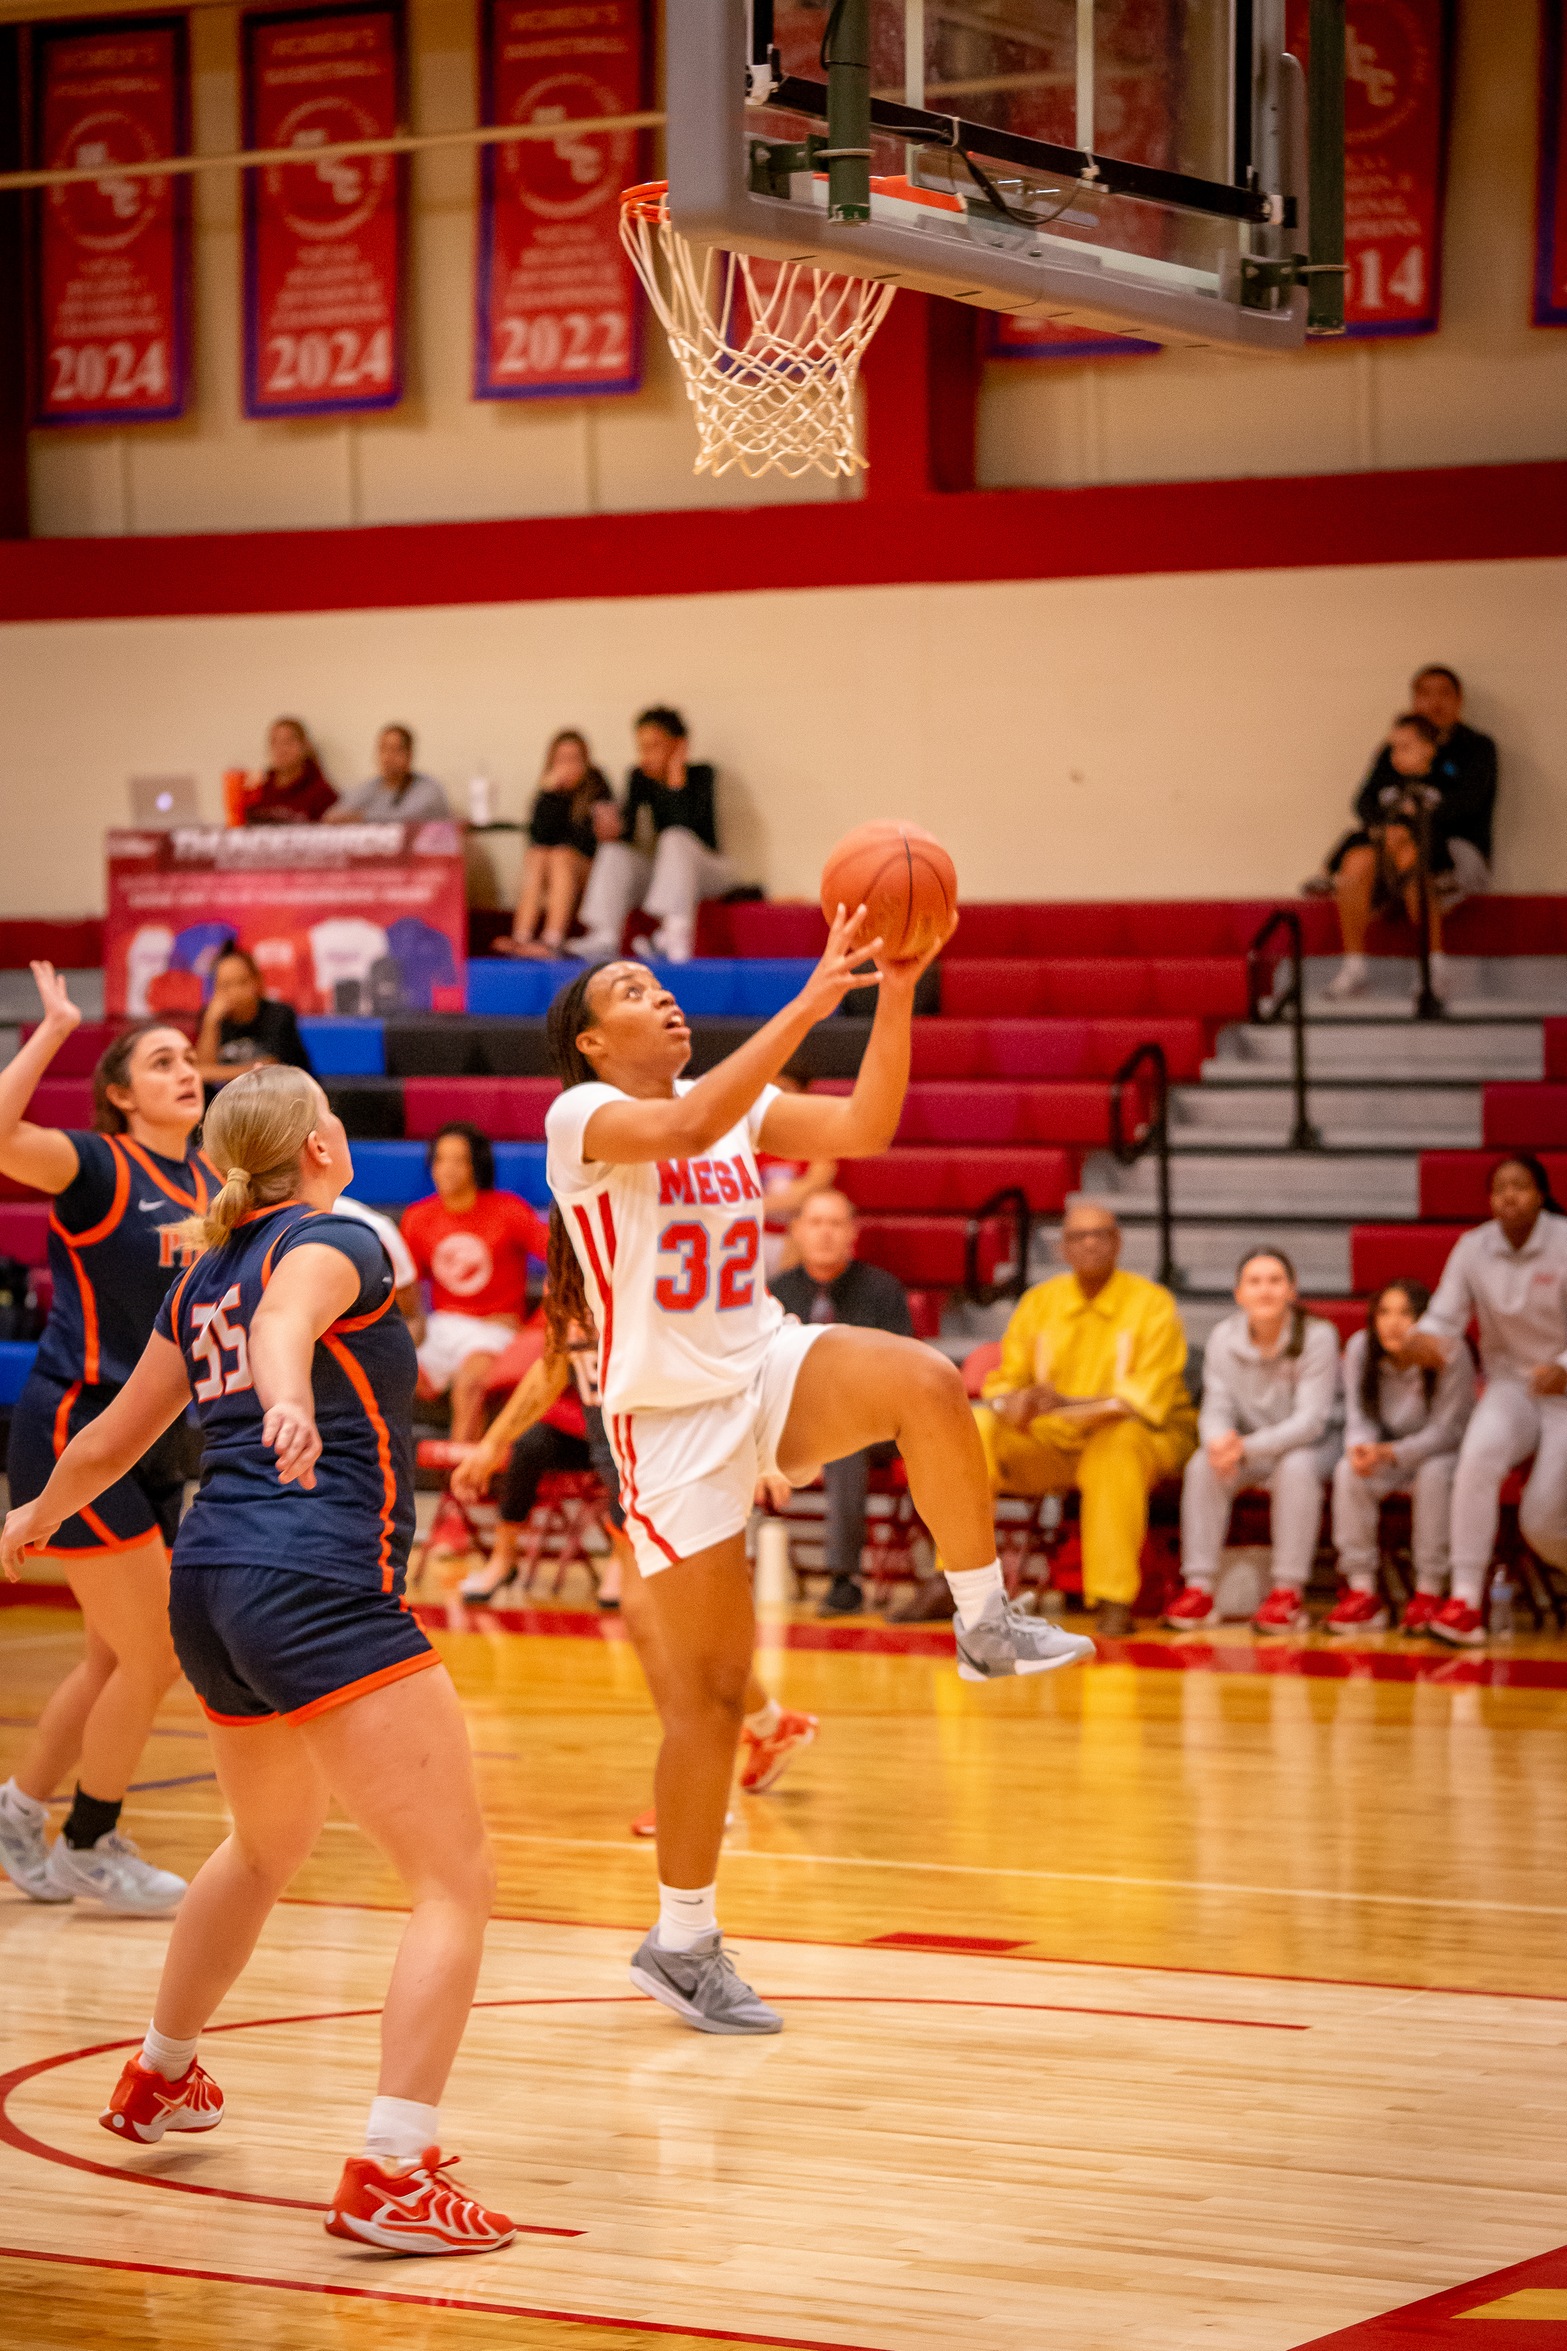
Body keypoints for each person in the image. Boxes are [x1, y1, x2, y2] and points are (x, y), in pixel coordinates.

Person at [540, 918, 1094, 2035]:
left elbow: (864, 1123)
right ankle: (683, 1939)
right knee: (705, 1695)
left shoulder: (730, 1094)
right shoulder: (582, 1117)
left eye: (661, 984)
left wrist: (893, 992)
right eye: (634, 992)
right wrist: (805, 1001)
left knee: (928, 1381)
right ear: (594, 1043)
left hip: (765, 1361)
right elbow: (689, 1118)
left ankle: (983, 1618)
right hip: (672, 1424)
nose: (662, 999)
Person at [0, 1065, 512, 2256]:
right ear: (325, 1142)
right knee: (456, 1878)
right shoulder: (339, 1239)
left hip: (211, 1588)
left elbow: (112, 1434)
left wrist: (31, 1511)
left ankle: (160, 2072)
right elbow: (291, 1322)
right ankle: (393, 2164)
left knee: (266, 1842)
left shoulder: (200, 1275)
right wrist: (286, 1396)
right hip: (315, 1580)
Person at [0, 969, 208, 1916]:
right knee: (156, 1652)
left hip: (160, 1441)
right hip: (76, 1429)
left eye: (189, 1057)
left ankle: (16, 1811)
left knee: (110, 1658)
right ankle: (89, 1841)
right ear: (120, 1092)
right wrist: (54, 1031)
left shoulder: (214, 1181)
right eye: (161, 1060)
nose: (185, 1070)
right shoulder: (96, 1165)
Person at [451, 1328, 818, 1815]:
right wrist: (493, 1443)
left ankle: (697, 1790)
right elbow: (555, 1363)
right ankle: (770, 1726)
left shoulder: (651, 1264)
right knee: (676, 1628)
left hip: (681, 1457)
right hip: (622, 1463)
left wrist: (769, 1453)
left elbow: (735, 1350)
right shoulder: (574, 1269)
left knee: (664, 1625)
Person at [895, 1199, 1196, 1638]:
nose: (1090, 1243)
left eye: (1100, 1234)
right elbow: (1003, 1381)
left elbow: (1139, 1402)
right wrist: (1011, 1403)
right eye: (1078, 1236)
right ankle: (952, 1578)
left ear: (1118, 1243)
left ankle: (1114, 1599)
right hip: (1051, 1443)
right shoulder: (1040, 1303)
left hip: (1141, 1438)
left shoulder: (1152, 1305)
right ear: (1063, 1249)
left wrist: (1059, 1402)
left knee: (1118, 1445)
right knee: (976, 1428)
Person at [1398, 1154, 1567, 1648]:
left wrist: (1563, 1367)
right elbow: (1443, 1317)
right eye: (1499, 1189)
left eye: (1519, 1187)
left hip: (1564, 1392)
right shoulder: (1474, 1247)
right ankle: (1466, 1599)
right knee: (1475, 1459)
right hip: (1512, 1386)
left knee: (1540, 1520)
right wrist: (1422, 1341)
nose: (1508, 1196)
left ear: (1540, 1195)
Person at [1167, 1249, 1340, 1635]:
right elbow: (1215, 1408)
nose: (1265, 1290)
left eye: (1276, 1281)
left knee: (1296, 1467)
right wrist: (1218, 1443)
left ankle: (1287, 1592)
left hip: (1317, 1443)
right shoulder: (1223, 1338)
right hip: (1255, 1445)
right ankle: (1199, 1588)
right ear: (1238, 1293)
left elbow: (1310, 1423)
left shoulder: (1318, 1336)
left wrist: (1243, 1447)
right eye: (1255, 1281)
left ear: (1292, 1291)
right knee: (1202, 1464)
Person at [1316, 666, 1498, 1002]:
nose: (1434, 702)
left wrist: (1409, 826)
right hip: (1394, 839)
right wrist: (1389, 828)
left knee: (1411, 856)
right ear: (1414, 701)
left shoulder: (1477, 747)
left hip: (1453, 845)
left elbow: (1466, 804)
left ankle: (1433, 968)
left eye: (1444, 693)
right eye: (1425, 694)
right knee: (1356, 862)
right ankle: (1354, 966)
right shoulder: (1392, 748)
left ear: (1459, 701)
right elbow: (1364, 801)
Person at [771, 1189, 915, 1617]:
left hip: (872, 1424)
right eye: (814, 1223)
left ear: (852, 1233)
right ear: (796, 1232)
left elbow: (903, 1367)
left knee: (844, 1443)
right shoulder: (776, 1292)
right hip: (793, 1419)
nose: (825, 1233)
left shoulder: (882, 1289)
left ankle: (844, 1578)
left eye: (835, 1223)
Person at [1327, 1279, 1473, 1635]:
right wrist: (1361, 1448)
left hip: (1442, 1452)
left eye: (1406, 1313)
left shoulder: (1450, 1351)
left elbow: (1448, 1431)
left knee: (1435, 1474)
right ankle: (1362, 1590)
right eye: (1385, 1312)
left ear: (1426, 1320)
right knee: (1349, 1470)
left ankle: (1429, 1590)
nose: (1393, 1322)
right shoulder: (1362, 1348)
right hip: (1389, 1452)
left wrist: (1394, 1453)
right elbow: (1357, 1415)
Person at [400, 1123, 549, 1442]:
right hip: (443, 1327)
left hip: (495, 1331)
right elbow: (404, 1288)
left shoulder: (508, 1211)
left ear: (475, 1166)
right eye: (440, 1160)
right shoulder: (418, 1217)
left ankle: (461, 1484)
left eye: (458, 1160)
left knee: (470, 1381)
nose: (447, 1169)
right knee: (387, 1368)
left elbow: (561, 1260)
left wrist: (537, 1327)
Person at [570, 708, 736, 966]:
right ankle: (604, 935)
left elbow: (692, 829)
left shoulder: (703, 775)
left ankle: (674, 933)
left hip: (706, 869)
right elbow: (630, 833)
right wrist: (612, 831)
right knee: (614, 852)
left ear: (679, 745)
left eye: (654, 746)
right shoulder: (638, 778)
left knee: (674, 838)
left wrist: (675, 781)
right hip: (662, 875)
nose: (646, 755)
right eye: (642, 747)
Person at [499, 730, 614, 959]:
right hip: (552, 866)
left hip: (589, 869)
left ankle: (553, 939)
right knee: (537, 854)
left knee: (561, 856)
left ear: (586, 761)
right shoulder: (547, 792)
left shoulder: (598, 787)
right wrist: (551, 795)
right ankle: (522, 937)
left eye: (574, 758)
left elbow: (588, 842)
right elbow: (539, 837)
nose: (568, 765)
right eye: (562, 759)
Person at [195, 943, 314, 1088]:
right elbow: (200, 1073)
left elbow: (269, 1068)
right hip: (229, 1101)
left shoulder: (279, 1014)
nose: (235, 992)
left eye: (242, 982)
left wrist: (212, 1073)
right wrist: (210, 1023)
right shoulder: (210, 1017)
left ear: (257, 981)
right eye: (225, 985)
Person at [757, 1071, 838, 1276]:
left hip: (794, 1237)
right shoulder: (753, 1136)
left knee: (805, 1238)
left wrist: (757, 1204)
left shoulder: (818, 1139)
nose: (778, 1099)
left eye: (785, 1090)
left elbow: (813, 1189)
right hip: (754, 1233)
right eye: (771, 1091)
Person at [329, 725, 451, 824]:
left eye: (395, 750)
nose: (387, 758)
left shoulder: (428, 789)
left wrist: (362, 817)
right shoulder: (371, 786)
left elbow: (409, 818)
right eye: (383, 749)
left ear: (409, 755)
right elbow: (337, 813)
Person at [241, 717, 337, 826]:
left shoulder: (322, 793)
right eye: (274, 742)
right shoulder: (259, 788)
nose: (281, 749)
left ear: (305, 745)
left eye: (288, 742)